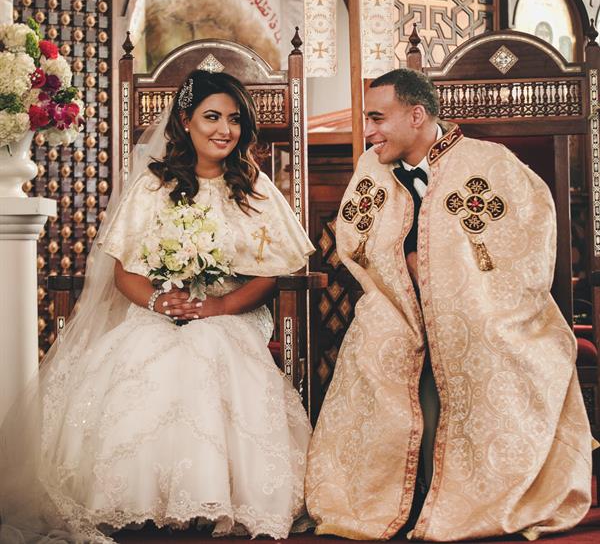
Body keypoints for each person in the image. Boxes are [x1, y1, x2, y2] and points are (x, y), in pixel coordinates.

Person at [0, 70, 314, 543]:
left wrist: (219, 306)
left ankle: (210, 495)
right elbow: (125, 272)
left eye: (234, 119)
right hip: (159, 310)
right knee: (142, 350)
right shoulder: (154, 186)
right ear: (186, 120)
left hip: (232, 312)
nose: (224, 129)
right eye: (212, 117)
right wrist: (158, 301)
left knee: (208, 345)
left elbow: (273, 273)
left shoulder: (254, 186)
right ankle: (140, 497)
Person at [305, 68, 593, 542]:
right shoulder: (371, 167)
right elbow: (356, 241)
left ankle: (478, 497)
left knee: (483, 343)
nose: (369, 131)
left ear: (416, 115)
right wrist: (405, 262)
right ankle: (388, 499)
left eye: (377, 118)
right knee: (377, 343)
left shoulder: (491, 163)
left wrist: (446, 273)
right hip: (397, 303)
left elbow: (525, 242)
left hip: (483, 305)